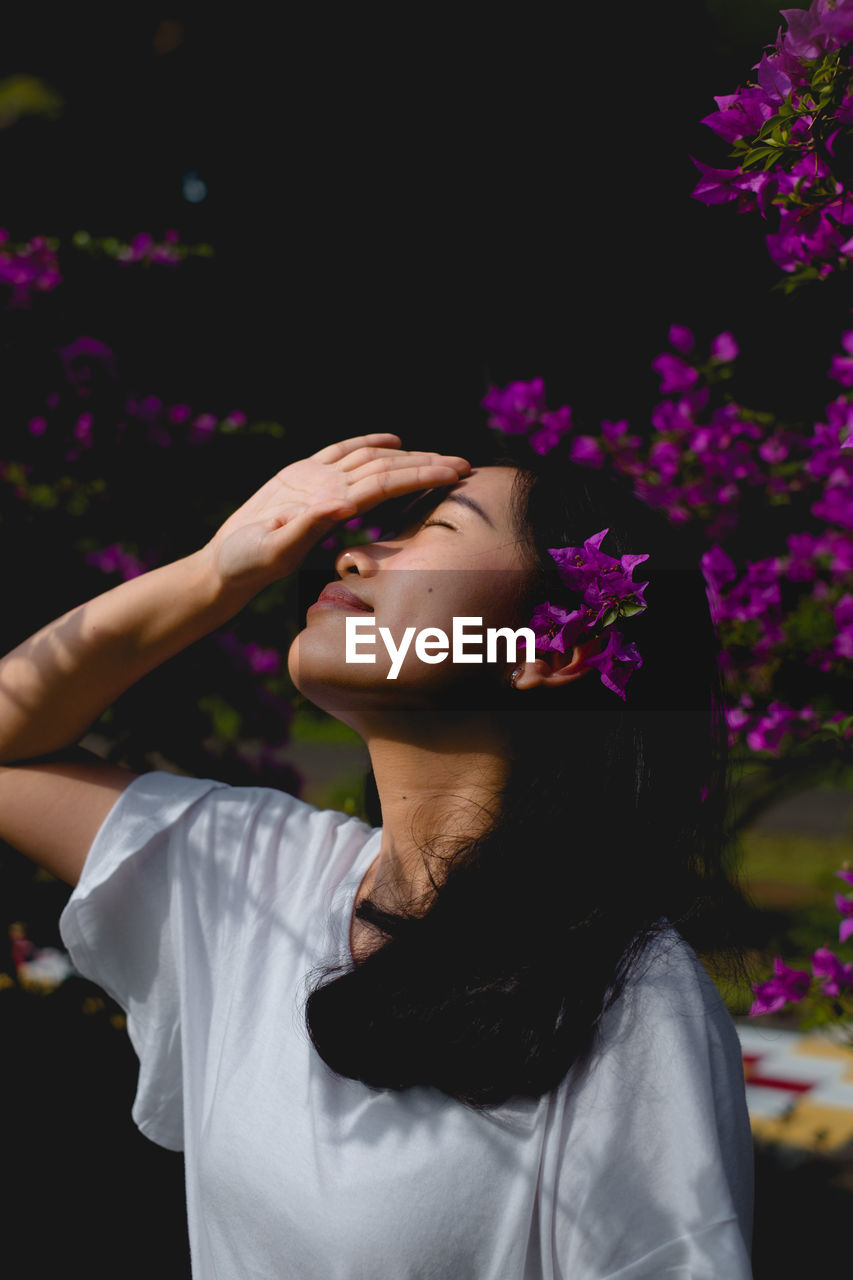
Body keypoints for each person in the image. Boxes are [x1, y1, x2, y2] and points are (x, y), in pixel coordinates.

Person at [0, 432, 754, 1278]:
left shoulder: (625, 990)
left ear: (548, 648)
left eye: (437, 530)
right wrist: (220, 570)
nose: (354, 553)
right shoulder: (258, 872)